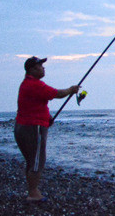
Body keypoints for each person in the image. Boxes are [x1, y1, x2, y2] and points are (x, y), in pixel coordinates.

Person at [14, 56, 79, 202]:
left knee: (32, 161)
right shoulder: (34, 84)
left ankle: (33, 190)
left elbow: (35, 104)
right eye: (40, 66)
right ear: (32, 69)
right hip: (32, 128)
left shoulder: (27, 84)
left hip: (23, 126)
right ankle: (33, 193)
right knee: (37, 161)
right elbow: (57, 94)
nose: (43, 68)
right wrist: (71, 89)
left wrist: (47, 117)